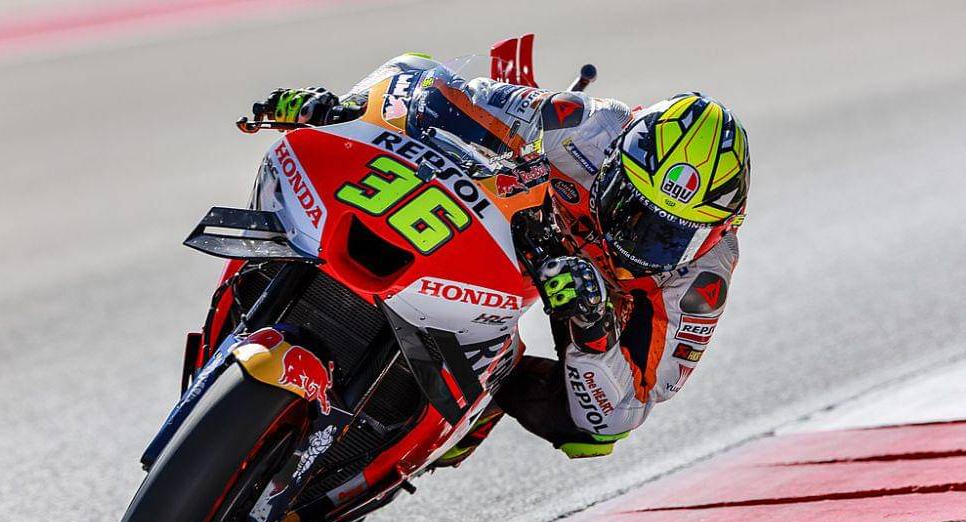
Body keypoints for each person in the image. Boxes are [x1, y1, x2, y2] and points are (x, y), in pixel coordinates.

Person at [251, 53, 750, 462]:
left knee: (594, 431)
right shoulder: (587, 125)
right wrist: (346, 108)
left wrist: (594, 325)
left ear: (719, 230)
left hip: (593, 305)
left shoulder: (703, 279)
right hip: (516, 232)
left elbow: (636, 399)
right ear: (615, 160)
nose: (640, 239)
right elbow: (441, 92)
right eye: (631, 207)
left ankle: (479, 402)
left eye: (671, 235)